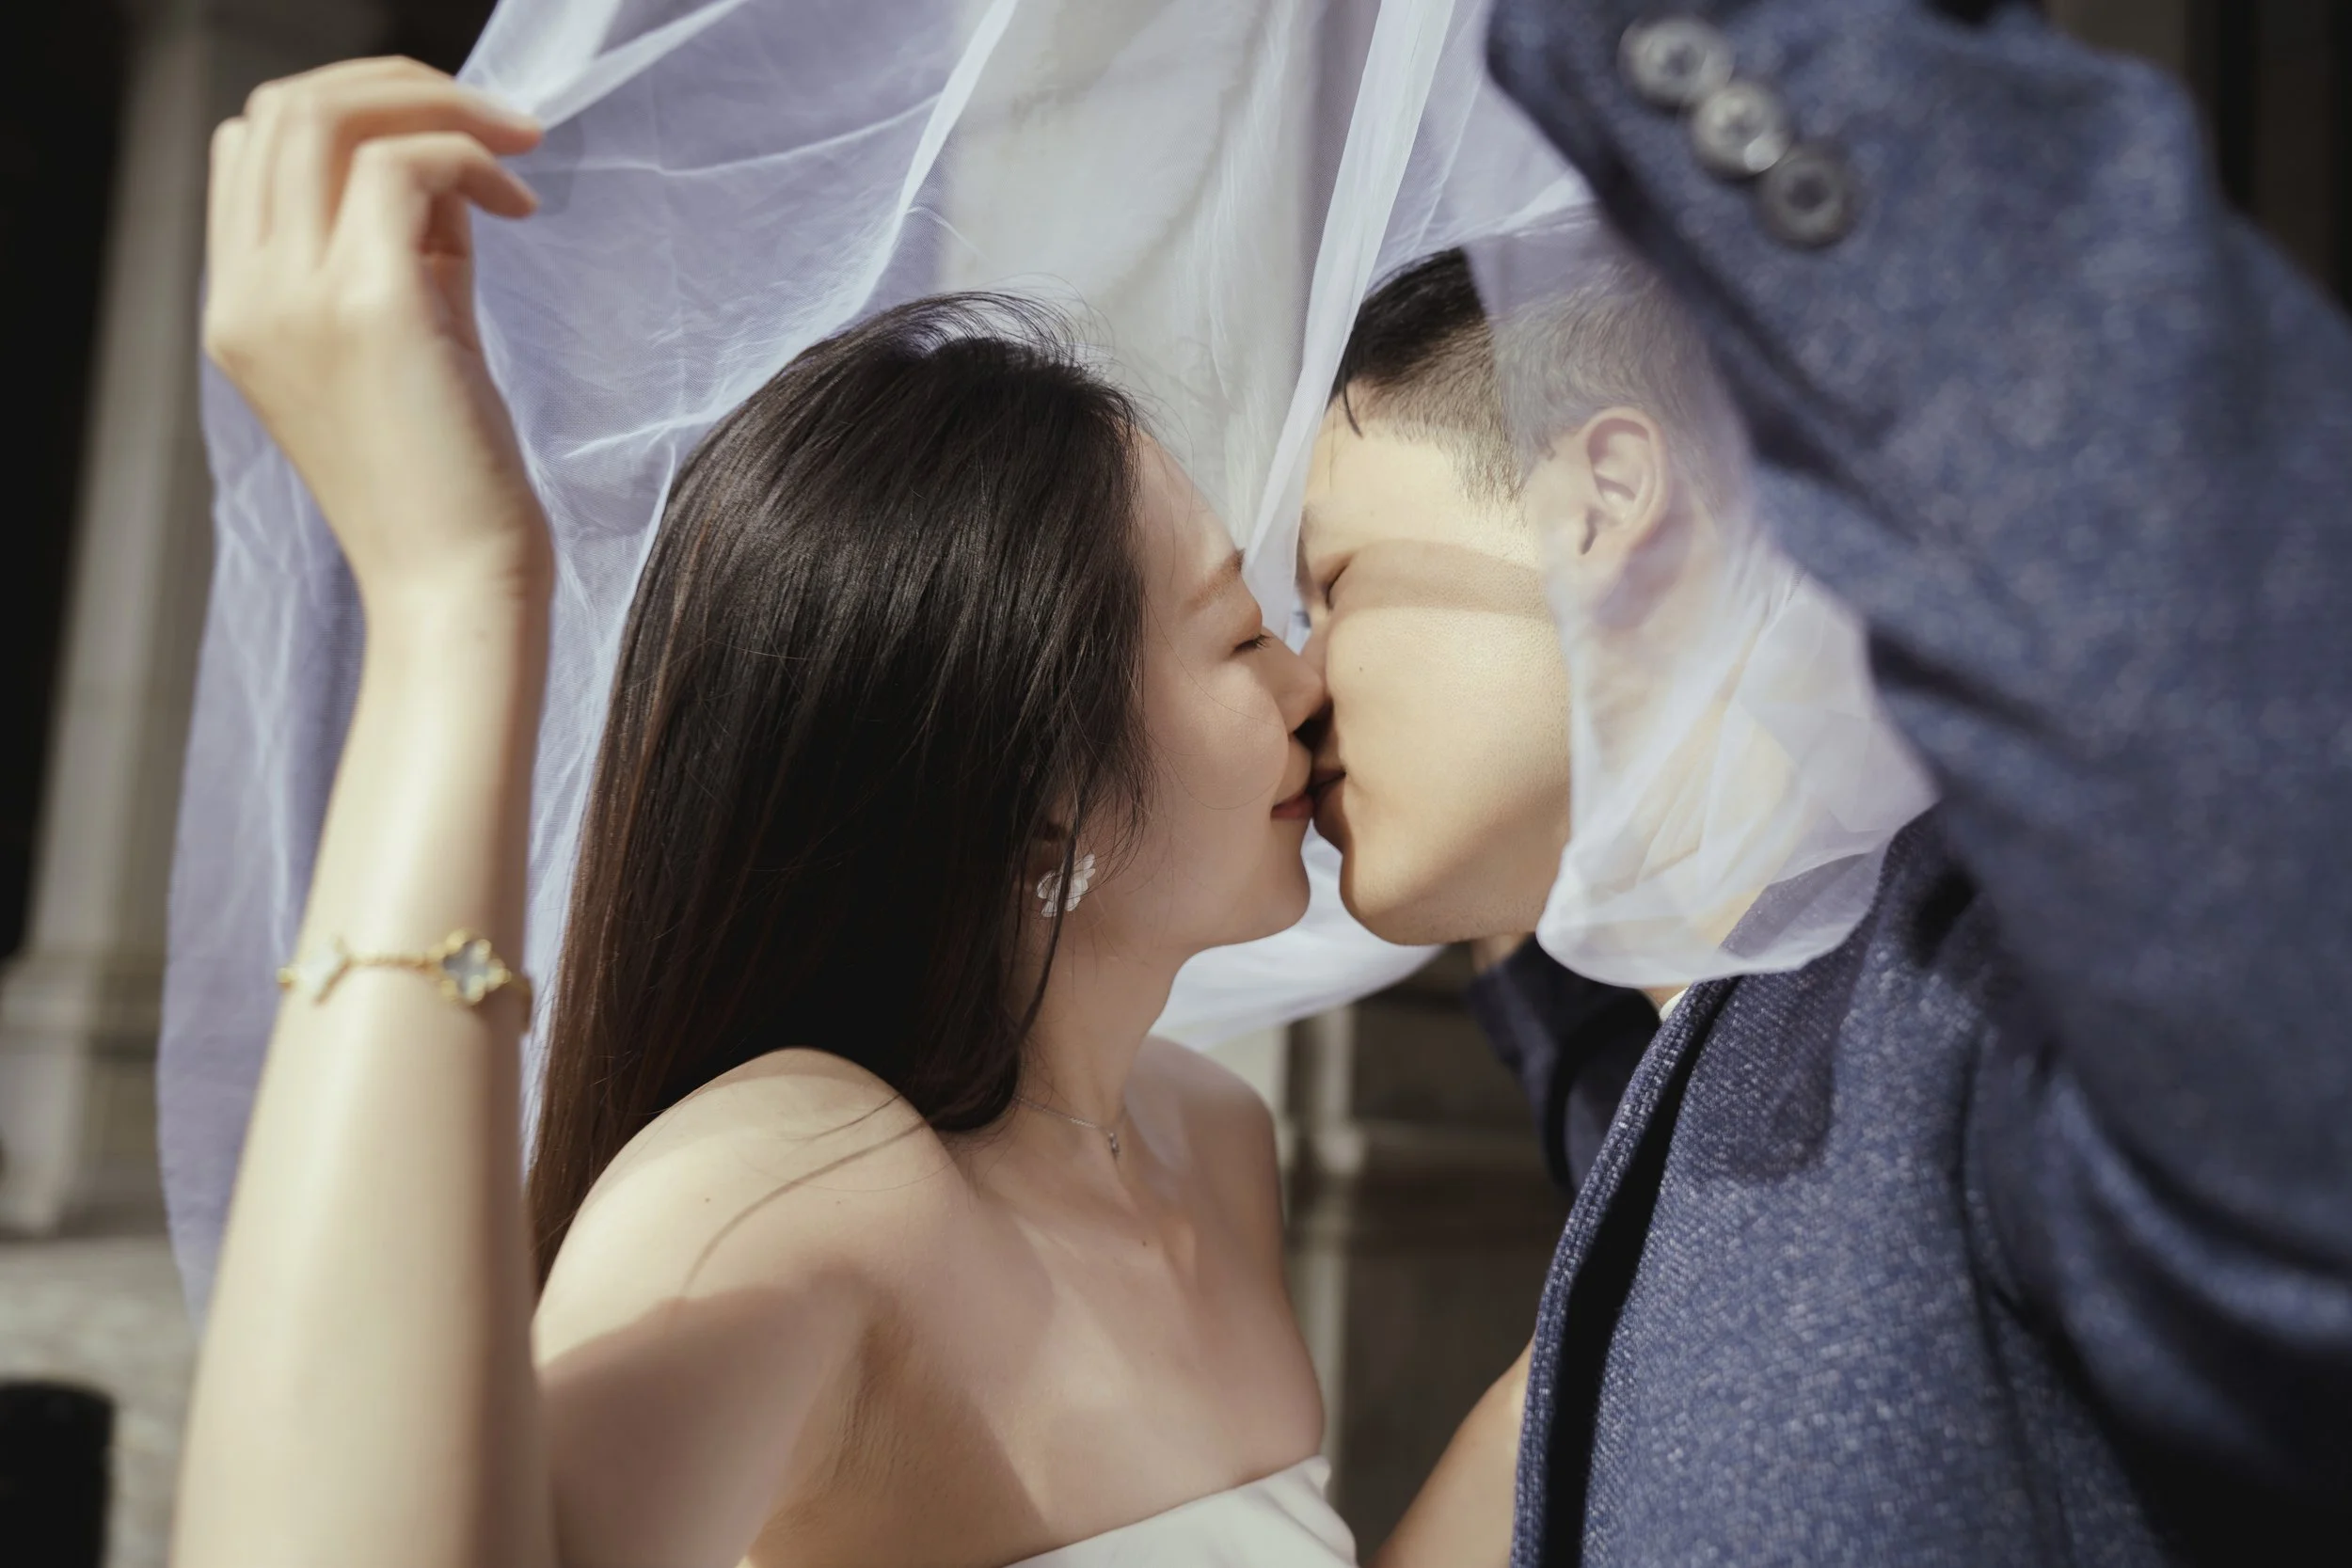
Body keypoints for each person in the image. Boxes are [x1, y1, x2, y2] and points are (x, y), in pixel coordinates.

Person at [173, 57, 1503, 1568]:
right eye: (1240, 633)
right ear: (1036, 796)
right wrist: (452, 602)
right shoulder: (795, 1180)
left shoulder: (1213, 1137)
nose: (1308, 687)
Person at [1306, 3, 2352, 1563]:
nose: (1301, 679)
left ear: (1601, 493)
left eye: (1334, 582)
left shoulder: (1980, 1010)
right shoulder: (1687, 1056)